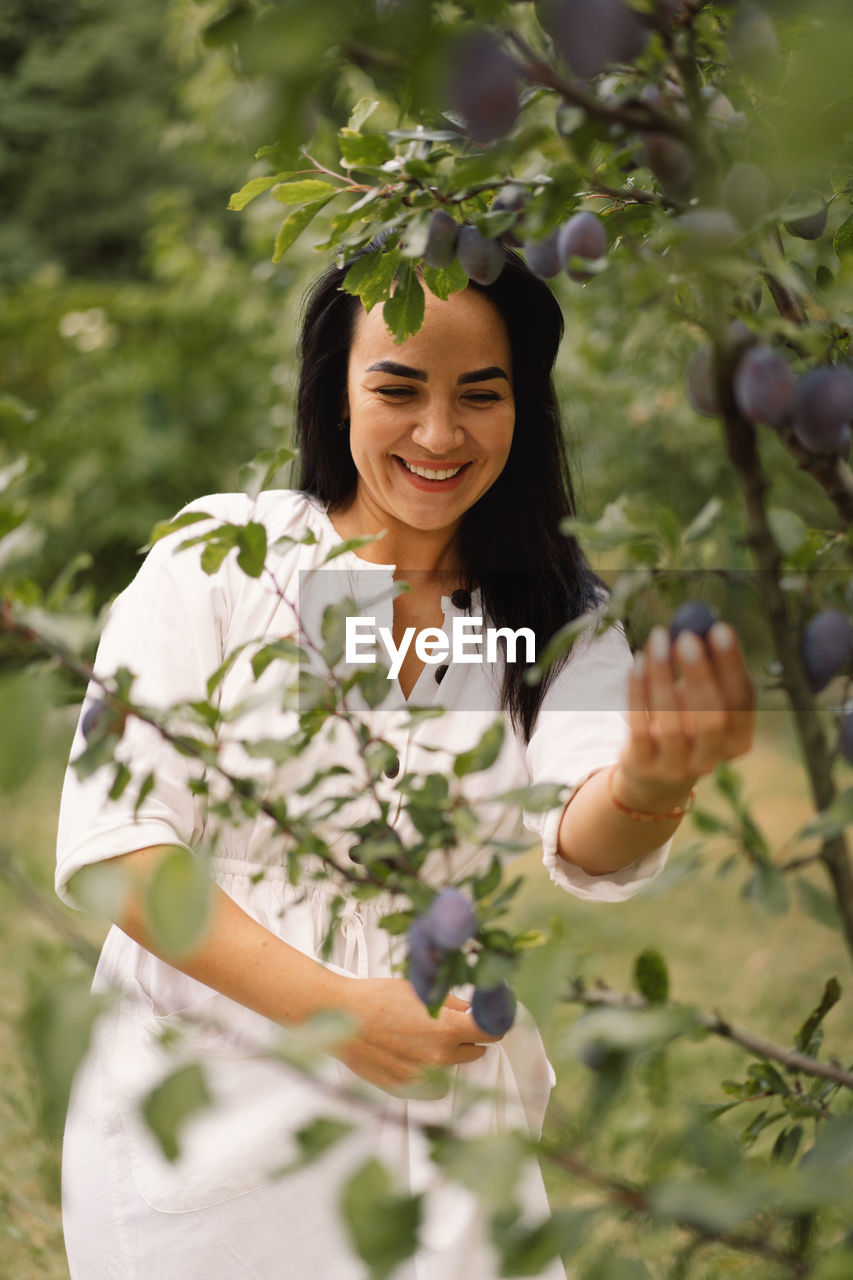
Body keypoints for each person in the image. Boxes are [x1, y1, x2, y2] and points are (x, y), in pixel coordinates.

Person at [56, 245, 755, 1279]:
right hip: (213, 1086)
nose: (439, 433)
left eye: (481, 393)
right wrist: (331, 1007)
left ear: (525, 406)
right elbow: (124, 845)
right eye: (397, 388)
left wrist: (651, 780)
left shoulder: (543, 612)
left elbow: (585, 829)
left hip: (438, 1082)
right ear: (335, 390)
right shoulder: (222, 564)